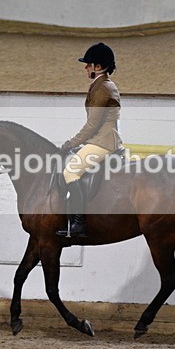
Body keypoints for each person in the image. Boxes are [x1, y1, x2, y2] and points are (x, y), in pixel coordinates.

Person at [56, 42, 123, 239]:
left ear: (98, 67)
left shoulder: (102, 88)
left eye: (88, 64)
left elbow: (92, 125)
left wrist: (71, 143)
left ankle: (79, 223)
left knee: (70, 171)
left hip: (103, 141)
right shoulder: (102, 85)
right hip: (101, 139)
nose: (85, 67)